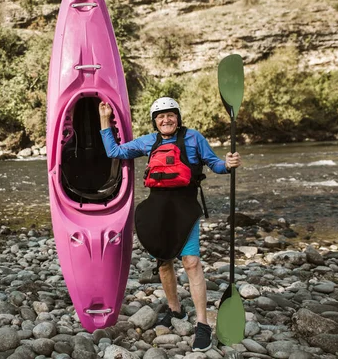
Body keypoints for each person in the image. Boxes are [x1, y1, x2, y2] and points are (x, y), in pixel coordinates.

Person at [98, 97, 241, 352]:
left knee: (191, 262)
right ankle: (176, 311)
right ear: (155, 121)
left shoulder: (194, 138)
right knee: (164, 262)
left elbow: (214, 163)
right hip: (158, 207)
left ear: (178, 117)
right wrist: (104, 121)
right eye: (161, 116)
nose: (166, 119)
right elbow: (115, 152)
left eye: (170, 115)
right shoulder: (149, 141)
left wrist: (227, 165)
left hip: (185, 207)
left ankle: (202, 324)